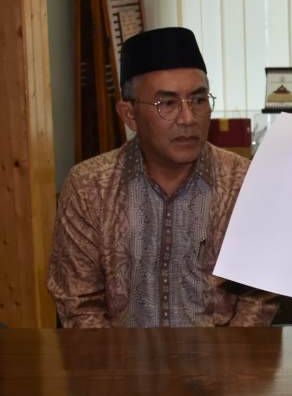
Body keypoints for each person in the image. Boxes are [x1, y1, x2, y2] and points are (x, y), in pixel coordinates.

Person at [48, 27, 277, 327]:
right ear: (129, 115)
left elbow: (258, 297)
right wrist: (119, 372)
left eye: (198, 100)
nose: (188, 118)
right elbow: (78, 304)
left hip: (223, 366)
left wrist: (230, 367)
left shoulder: (242, 182)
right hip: (121, 366)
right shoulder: (89, 186)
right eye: (166, 103)